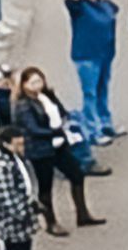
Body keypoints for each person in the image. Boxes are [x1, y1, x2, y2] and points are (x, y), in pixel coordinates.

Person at [11, 69, 106, 237]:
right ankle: (51, 222)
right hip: (40, 150)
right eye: (33, 83)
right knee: (45, 186)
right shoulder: (23, 105)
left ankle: (82, 214)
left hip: (59, 145)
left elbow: (61, 112)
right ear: (24, 85)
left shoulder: (47, 96)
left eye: (39, 81)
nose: (37, 85)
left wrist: (65, 122)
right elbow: (32, 129)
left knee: (77, 173)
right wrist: (55, 131)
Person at [65, 0, 122, 144]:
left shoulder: (105, 5)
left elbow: (114, 11)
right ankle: (93, 131)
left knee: (102, 90)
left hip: (105, 54)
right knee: (90, 94)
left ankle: (105, 123)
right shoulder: (79, 7)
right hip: (86, 56)